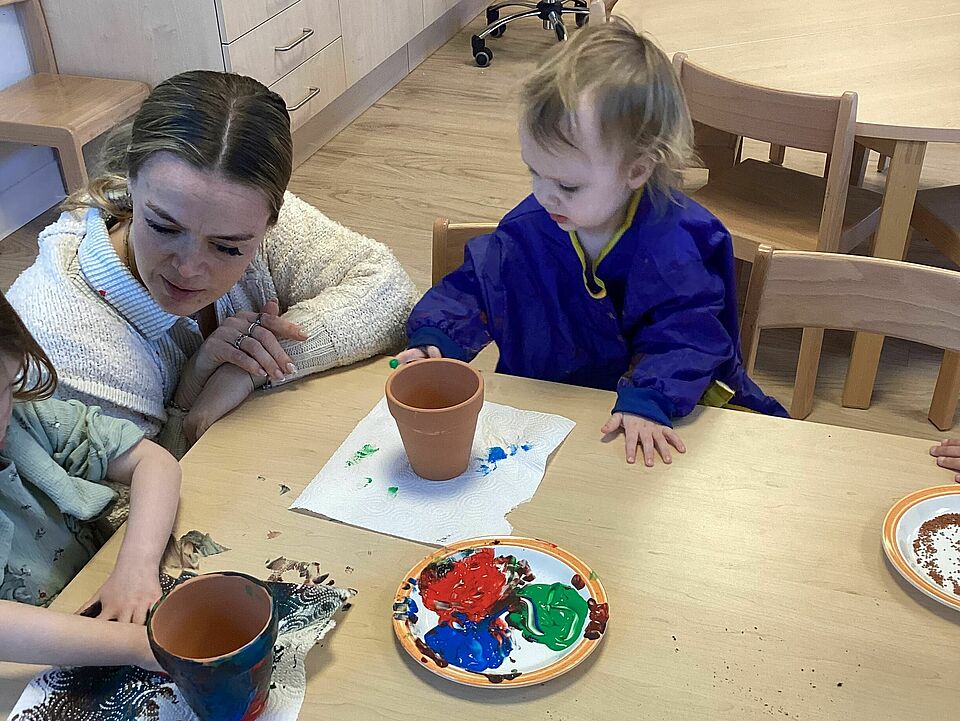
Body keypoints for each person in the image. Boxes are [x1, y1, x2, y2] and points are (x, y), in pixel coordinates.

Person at [397, 19, 786, 466]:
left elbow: (687, 336)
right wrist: (438, 337)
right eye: (533, 171)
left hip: (650, 419)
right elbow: (477, 285)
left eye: (568, 184)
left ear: (636, 171)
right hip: (551, 413)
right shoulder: (532, 224)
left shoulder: (675, 246)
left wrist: (649, 397)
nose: (544, 195)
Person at [8, 71, 418, 458]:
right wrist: (189, 401)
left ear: (268, 225)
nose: (188, 270)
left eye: (227, 248)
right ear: (129, 184)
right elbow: (112, 513)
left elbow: (390, 292)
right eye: (163, 228)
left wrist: (249, 368)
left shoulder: (231, 204)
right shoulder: (63, 345)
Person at [0, 293, 180, 668]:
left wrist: (136, 567)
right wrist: (137, 646)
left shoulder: (25, 418)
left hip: (96, 588)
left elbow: (153, 462)